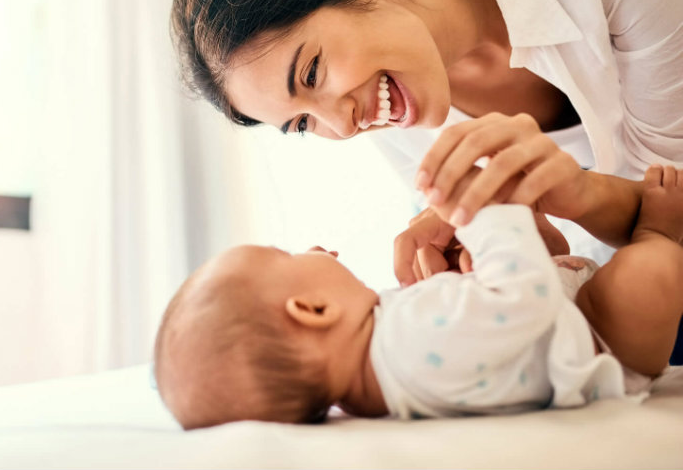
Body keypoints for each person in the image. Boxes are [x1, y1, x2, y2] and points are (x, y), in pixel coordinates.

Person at [169, 0, 683, 360]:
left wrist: (575, 196)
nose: (343, 125)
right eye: (302, 123)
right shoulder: (391, 98)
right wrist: (502, 254)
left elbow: (671, 201)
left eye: (310, 73)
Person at [153, 165, 683, 429]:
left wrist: (456, 286)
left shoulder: (378, 380)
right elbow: (523, 308)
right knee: (648, 275)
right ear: (313, 310)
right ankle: (663, 234)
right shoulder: (401, 343)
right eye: (289, 257)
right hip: (600, 336)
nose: (312, 250)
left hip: (557, 317)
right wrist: (484, 212)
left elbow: (472, 341)